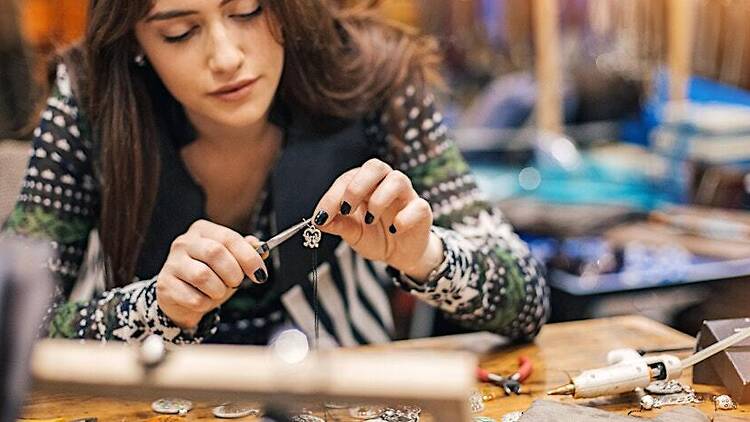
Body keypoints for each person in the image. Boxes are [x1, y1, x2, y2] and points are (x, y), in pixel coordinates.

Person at [2, 0, 548, 346]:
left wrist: (422, 255)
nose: (226, 56)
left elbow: (528, 298)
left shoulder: (376, 75)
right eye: (178, 32)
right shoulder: (90, 99)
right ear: (135, 43)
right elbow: (11, 322)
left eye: (246, 10)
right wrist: (155, 306)